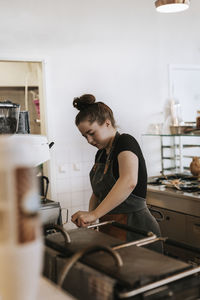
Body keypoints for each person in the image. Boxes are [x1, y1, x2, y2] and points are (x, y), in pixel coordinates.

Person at [71, 94, 162, 252]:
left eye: (91, 133)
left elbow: (128, 181)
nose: (89, 140)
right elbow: (97, 193)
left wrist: (94, 214)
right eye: (85, 136)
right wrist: (91, 218)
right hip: (111, 228)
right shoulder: (101, 154)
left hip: (136, 229)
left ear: (107, 123)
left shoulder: (125, 142)